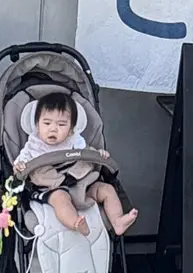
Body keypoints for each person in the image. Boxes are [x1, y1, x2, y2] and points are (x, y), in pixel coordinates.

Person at [14, 89, 137, 238]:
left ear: (72, 128)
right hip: (51, 189)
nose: (53, 128)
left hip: (80, 185)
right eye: (47, 123)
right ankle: (75, 223)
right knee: (60, 199)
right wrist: (19, 166)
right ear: (37, 125)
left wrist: (99, 154)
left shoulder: (74, 141)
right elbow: (20, 164)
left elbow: (87, 155)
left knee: (107, 189)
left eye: (61, 124)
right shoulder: (33, 145)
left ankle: (117, 221)